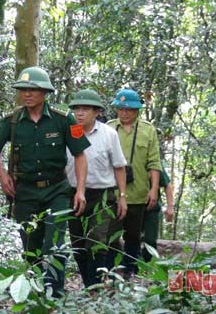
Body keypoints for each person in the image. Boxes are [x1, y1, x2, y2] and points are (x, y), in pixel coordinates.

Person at [0, 66, 90, 297]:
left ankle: (55, 293)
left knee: (54, 244)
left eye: (32, 90)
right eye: (23, 89)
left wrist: (80, 190)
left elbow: (80, 155)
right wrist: (3, 176)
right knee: (30, 246)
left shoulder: (64, 119)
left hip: (57, 191)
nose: (27, 94)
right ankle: (33, 293)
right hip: (24, 193)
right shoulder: (12, 121)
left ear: (44, 92)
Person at [65, 89, 128, 288]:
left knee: (96, 241)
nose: (80, 113)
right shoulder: (69, 132)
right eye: (76, 109)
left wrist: (123, 196)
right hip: (73, 193)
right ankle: (88, 284)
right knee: (77, 243)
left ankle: (96, 285)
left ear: (97, 112)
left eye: (85, 109)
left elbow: (119, 166)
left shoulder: (109, 134)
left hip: (102, 195)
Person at [106, 88, 161, 280]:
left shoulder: (148, 130)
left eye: (129, 109)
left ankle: (130, 271)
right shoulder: (109, 127)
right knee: (111, 234)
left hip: (138, 192)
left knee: (133, 235)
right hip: (111, 192)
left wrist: (154, 189)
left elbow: (154, 163)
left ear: (137, 110)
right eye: (120, 108)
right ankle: (111, 272)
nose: (124, 112)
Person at [141, 161, 174, 262]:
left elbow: (167, 185)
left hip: (151, 208)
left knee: (150, 240)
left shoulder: (154, 163)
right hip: (133, 206)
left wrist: (170, 207)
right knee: (131, 237)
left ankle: (147, 264)